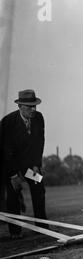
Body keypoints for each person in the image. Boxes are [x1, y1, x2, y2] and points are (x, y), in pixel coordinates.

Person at [1, 89, 48, 239]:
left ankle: (41, 227)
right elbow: (4, 151)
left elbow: (39, 143)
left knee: (39, 188)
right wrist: (13, 175)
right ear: (20, 106)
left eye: (35, 106)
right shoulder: (7, 122)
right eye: (29, 107)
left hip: (30, 166)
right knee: (13, 195)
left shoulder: (39, 118)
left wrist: (36, 165)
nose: (33, 110)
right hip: (10, 165)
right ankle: (15, 231)